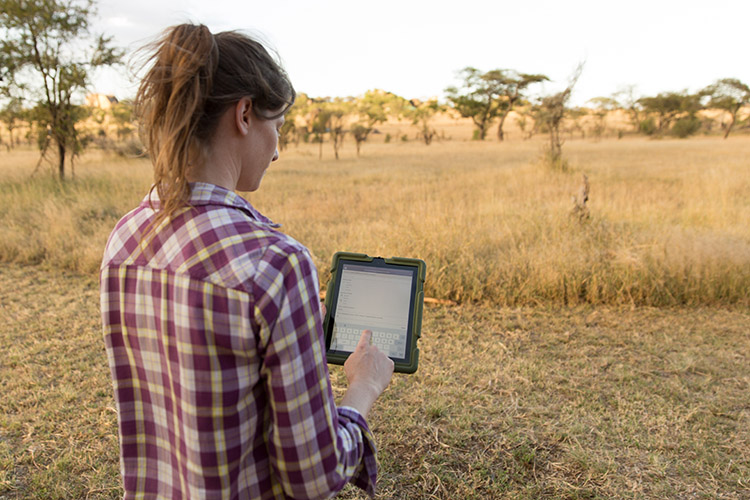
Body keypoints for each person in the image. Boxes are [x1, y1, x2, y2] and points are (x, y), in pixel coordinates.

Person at [100, 23, 394, 499]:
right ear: (243, 115)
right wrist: (364, 388)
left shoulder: (125, 239)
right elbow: (314, 477)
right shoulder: (276, 263)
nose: (277, 150)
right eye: (276, 127)